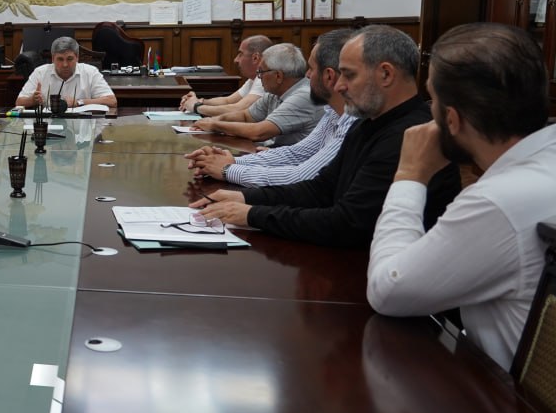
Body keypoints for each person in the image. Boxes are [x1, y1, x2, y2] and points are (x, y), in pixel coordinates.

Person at [367, 23, 556, 369]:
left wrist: (410, 175)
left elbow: (388, 290)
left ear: (450, 120)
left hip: (512, 410)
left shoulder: (497, 201)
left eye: (433, 100)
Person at [195, 25, 460, 247]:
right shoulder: (368, 122)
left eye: (349, 75)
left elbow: (348, 223)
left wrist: (253, 214)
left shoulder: (407, 134)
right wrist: (244, 198)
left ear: (386, 74)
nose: (340, 85)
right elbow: (320, 188)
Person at [187, 29, 357, 186]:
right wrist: (227, 160)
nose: (307, 75)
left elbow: (300, 176)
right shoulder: (332, 112)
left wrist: (227, 169)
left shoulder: (346, 116)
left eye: (311, 68)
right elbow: (297, 154)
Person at [191, 43, 322, 146]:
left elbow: (258, 132)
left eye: (261, 72)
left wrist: (215, 125)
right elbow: (245, 116)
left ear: (278, 76)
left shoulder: (303, 96)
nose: (259, 77)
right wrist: (213, 120)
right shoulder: (274, 93)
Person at [178, 35, 271, 116]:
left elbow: (237, 109)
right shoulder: (253, 79)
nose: (236, 60)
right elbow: (228, 101)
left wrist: (196, 106)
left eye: (241, 54)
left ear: (255, 58)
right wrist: (199, 101)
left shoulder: (264, 79)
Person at [17, 36, 117, 109]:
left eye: (70, 59)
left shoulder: (90, 72)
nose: (65, 64)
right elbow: (19, 102)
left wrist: (78, 102)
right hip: (50, 127)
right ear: (52, 59)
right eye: (60, 59)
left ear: (77, 57)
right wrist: (32, 100)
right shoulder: (40, 72)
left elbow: (112, 101)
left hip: (82, 129)